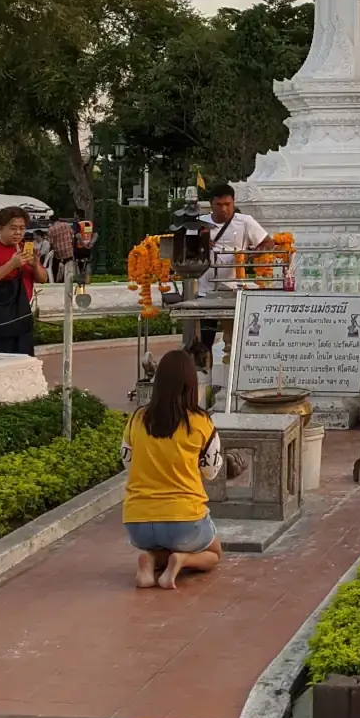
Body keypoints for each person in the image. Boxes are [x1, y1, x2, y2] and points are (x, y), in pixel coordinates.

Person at [121, 349, 223, 591]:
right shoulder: (200, 422)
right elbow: (211, 471)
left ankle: (152, 559)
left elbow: (127, 461)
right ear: (191, 384)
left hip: (137, 522)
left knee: (159, 541)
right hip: (184, 519)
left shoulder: (138, 418)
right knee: (214, 554)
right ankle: (182, 559)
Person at [195, 183, 275, 355]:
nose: (224, 209)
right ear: (211, 204)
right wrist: (198, 243)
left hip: (235, 291)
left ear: (233, 203)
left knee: (237, 339)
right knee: (205, 340)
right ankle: (205, 374)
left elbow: (268, 243)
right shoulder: (199, 224)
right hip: (207, 292)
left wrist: (250, 255)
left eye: (228, 205)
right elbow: (185, 250)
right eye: (219, 205)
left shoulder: (245, 222)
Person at [0, 207, 40, 354]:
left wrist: (35, 265)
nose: (18, 233)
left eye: (22, 228)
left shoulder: (24, 249)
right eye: (13, 228)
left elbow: (43, 278)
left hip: (21, 315)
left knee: (24, 360)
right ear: (0, 228)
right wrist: (11, 264)